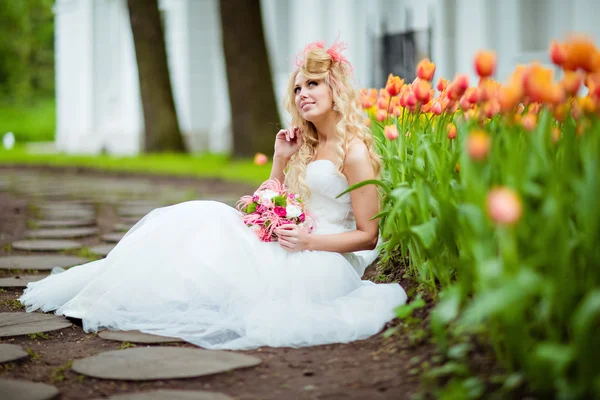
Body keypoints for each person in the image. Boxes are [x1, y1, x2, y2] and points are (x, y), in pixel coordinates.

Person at [19, 40, 407, 350]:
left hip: (321, 256)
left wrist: (309, 241)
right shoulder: (304, 146)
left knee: (222, 268)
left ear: (334, 87)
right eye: (298, 88)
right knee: (198, 217)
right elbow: (268, 203)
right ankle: (126, 290)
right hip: (288, 238)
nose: (303, 93)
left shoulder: (353, 152)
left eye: (313, 84)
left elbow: (367, 235)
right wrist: (279, 160)